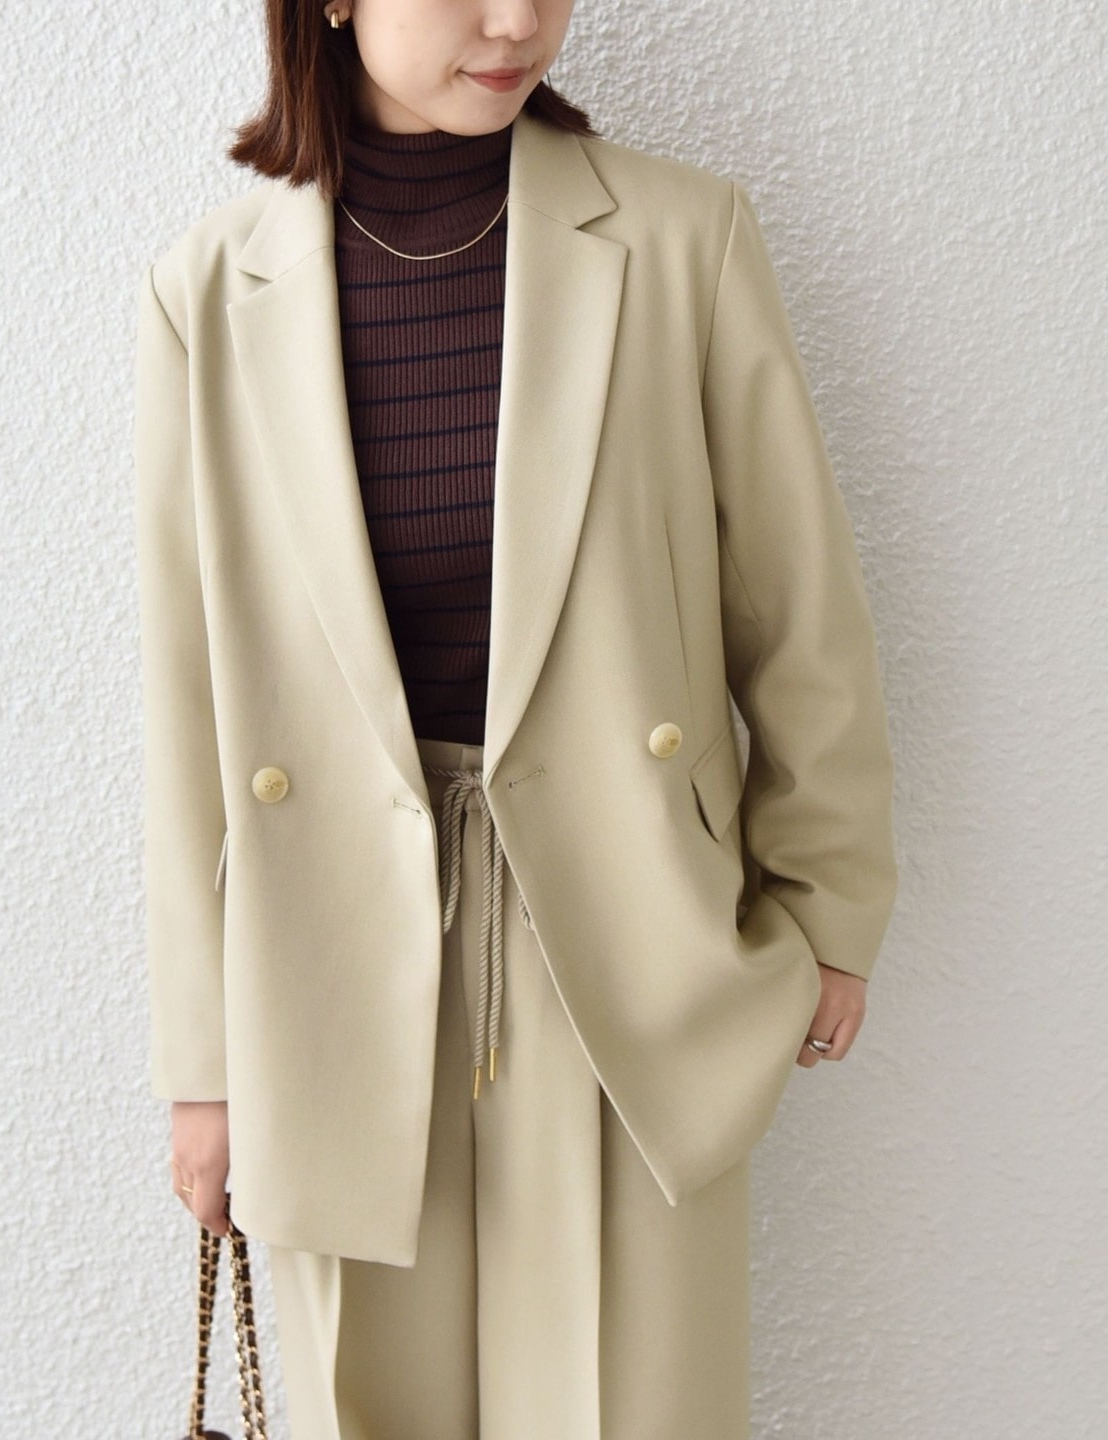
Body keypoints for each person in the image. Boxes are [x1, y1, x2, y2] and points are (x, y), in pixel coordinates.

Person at [134, 2, 897, 1436]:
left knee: (636, 1407)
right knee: (379, 1405)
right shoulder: (209, 292)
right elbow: (190, 708)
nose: (519, 22)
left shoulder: (681, 241)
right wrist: (206, 1066)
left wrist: (829, 899)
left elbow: (797, 609)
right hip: (331, 962)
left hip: (630, 930)